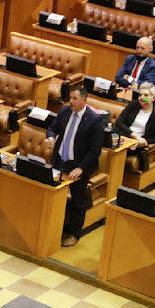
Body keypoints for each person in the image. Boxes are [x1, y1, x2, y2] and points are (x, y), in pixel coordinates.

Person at [44, 86, 105, 247]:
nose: (70, 101)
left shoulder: (95, 120)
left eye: (74, 99)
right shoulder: (65, 111)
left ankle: (75, 233)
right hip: (59, 160)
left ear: (84, 100)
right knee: (51, 191)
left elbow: (95, 150)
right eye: (70, 98)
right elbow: (52, 128)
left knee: (78, 200)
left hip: (79, 165)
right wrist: (50, 138)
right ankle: (51, 226)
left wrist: (81, 168)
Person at [113, 82, 155, 171]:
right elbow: (119, 122)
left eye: (146, 95)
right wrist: (134, 135)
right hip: (123, 136)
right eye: (140, 95)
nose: (142, 98)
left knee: (119, 152)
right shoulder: (133, 105)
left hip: (136, 144)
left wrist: (143, 142)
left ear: (153, 98)